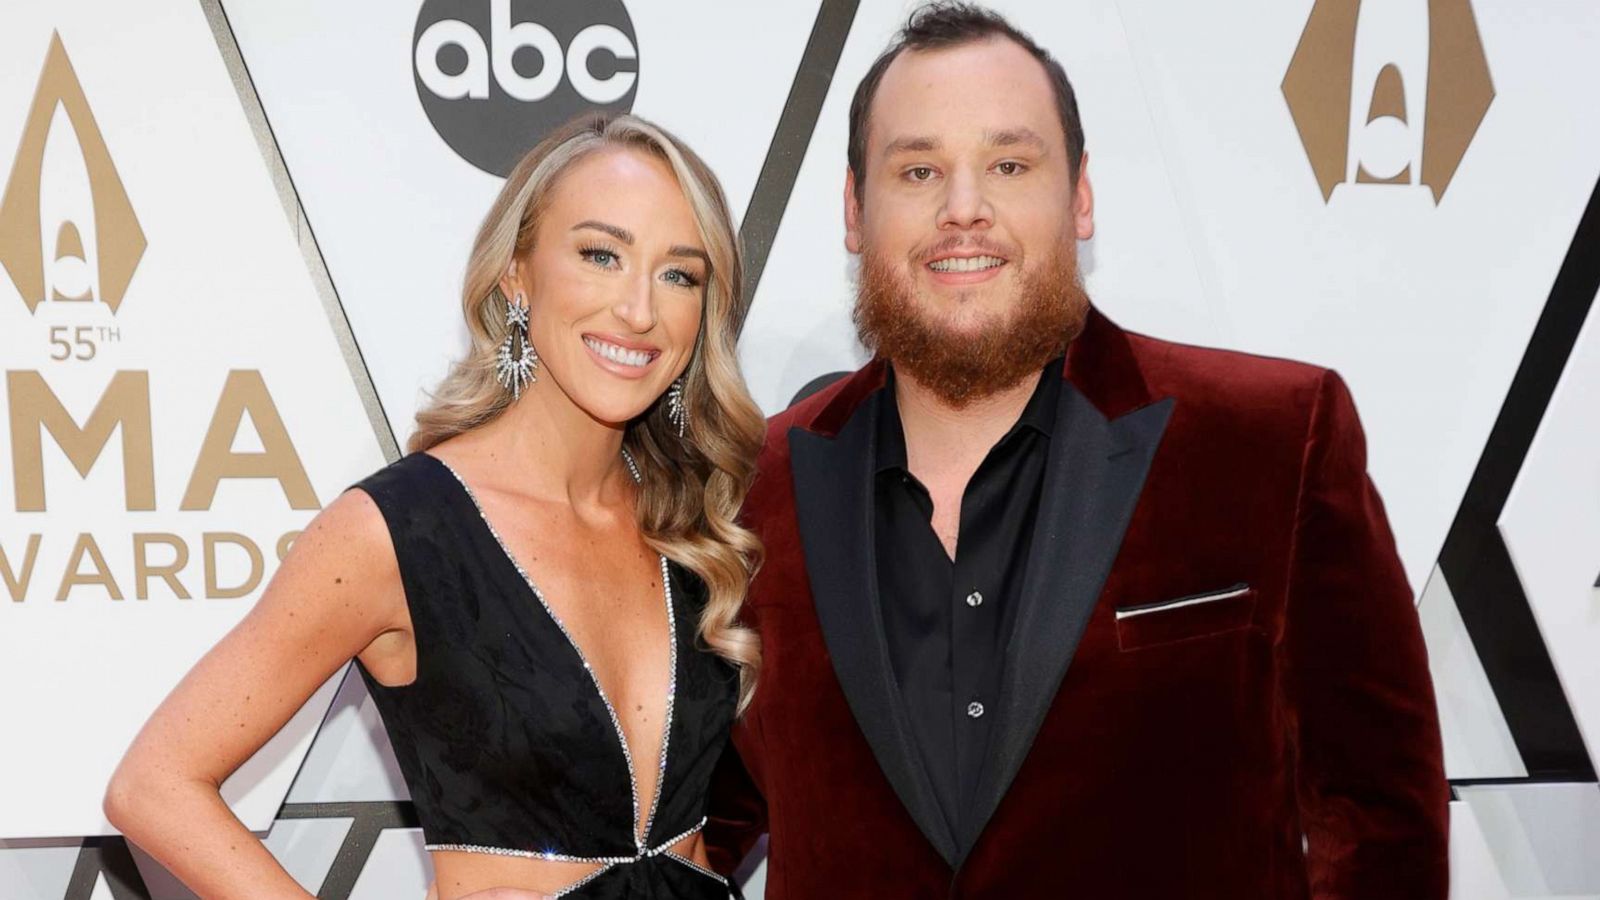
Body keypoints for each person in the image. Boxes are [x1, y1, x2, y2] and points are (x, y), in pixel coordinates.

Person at [705, 4, 1450, 897]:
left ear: (1081, 195)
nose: (964, 209)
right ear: (855, 211)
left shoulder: (1271, 441)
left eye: (1009, 164)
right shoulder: (755, 487)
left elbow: (1380, 820)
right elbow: (694, 822)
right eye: (918, 169)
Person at [104, 113, 764, 900]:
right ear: (517, 274)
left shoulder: (690, 519)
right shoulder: (401, 532)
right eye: (600, 255)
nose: (638, 310)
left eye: (679, 274)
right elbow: (154, 784)